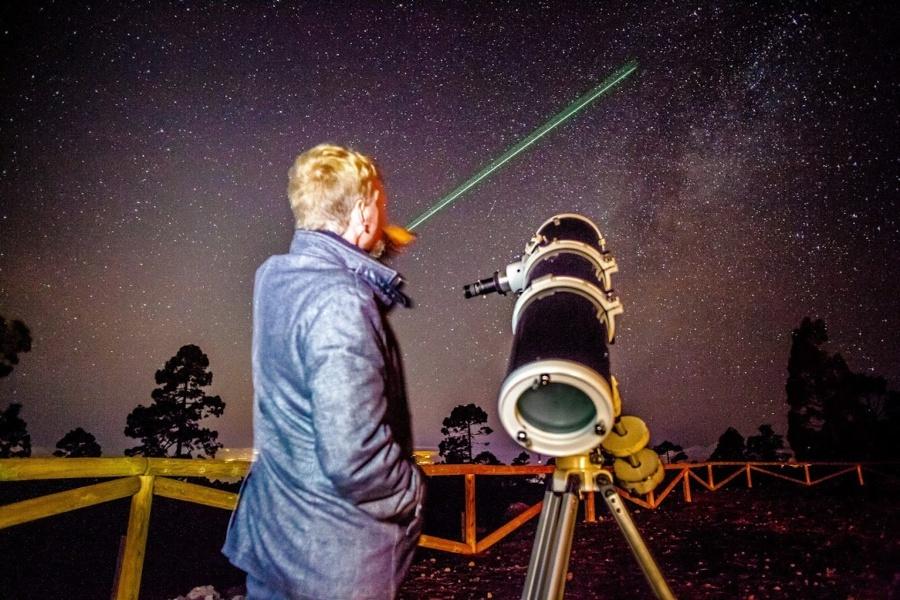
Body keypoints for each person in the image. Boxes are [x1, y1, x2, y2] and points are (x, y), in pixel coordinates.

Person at [223, 144, 425, 599]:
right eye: (379, 203)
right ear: (362, 213)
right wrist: (412, 494)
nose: (382, 213)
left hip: (277, 543)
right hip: (335, 568)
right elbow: (356, 461)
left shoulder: (275, 279)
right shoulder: (341, 302)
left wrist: (375, 247)